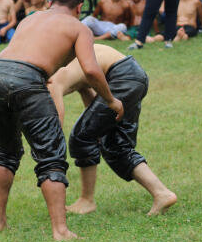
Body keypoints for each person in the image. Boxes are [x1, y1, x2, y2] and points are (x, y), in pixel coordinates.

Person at [0, 0, 123, 241]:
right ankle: (60, 231)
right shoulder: (78, 27)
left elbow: (19, 53)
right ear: (79, 7)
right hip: (27, 80)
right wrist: (111, 100)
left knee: (5, 152)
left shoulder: (31, 18)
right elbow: (92, 70)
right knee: (51, 157)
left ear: (50, 2)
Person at [47, 44, 177, 216]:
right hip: (133, 75)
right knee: (116, 146)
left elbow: (56, 118)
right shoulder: (67, 64)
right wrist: (98, 128)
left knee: (80, 137)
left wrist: (51, 144)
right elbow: (90, 99)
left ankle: (87, 201)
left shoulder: (52, 80)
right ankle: (162, 193)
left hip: (121, 78)